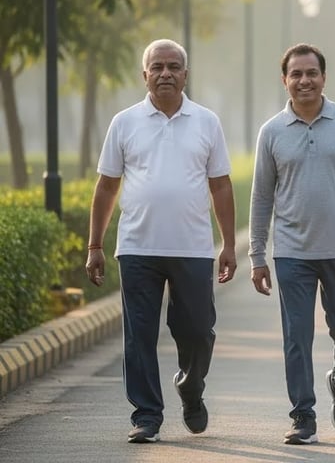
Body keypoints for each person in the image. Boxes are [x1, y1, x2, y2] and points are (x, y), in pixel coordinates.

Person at [85, 38, 236, 444]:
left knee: (199, 331)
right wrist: (95, 245)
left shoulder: (206, 121)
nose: (166, 73)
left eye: (174, 66)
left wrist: (229, 244)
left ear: (186, 75)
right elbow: (106, 187)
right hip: (137, 248)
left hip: (192, 248)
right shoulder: (124, 122)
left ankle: (190, 385)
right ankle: (147, 415)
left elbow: (221, 186)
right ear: (145, 74)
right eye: (158, 67)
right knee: (139, 337)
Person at [249, 43, 335, 445]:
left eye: (311, 73)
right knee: (297, 336)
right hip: (292, 253)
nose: (304, 80)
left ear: (324, 77)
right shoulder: (271, 131)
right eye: (296, 74)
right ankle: (302, 415)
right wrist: (257, 255)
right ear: (285, 80)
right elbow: (261, 197)